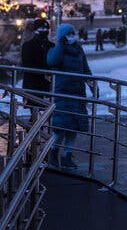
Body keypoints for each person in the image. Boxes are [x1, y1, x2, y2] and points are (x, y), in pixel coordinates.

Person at [47, 23, 94, 170]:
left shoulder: (79, 50)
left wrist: (93, 86)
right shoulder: (56, 50)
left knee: (74, 127)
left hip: (78, 93)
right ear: (62, 36)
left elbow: (86, 69)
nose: (71, 36)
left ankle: (67, 155)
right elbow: (52, 62)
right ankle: (53, 152)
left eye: (72, 33)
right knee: (60, 128)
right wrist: (60, 44)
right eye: (68, 34)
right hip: (63, 93)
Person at [21, 18, 54, 95]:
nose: (45, 30)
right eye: (42, 28)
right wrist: (44, 73)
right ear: (35, 30)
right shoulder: (28, 45)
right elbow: (27, 64)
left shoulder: (51, 45)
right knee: (33, 105)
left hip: (48, 84)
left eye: (47, 28)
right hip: (32, 84)